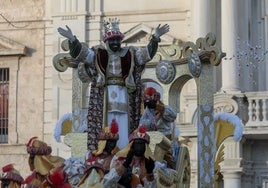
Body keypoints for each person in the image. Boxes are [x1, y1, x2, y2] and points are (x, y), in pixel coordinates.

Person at [57, 18, 170, 150]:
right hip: (105, 95)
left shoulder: (130, 53)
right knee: (107, 121)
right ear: (106, 41)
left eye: (118, 40)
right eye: (113, 40)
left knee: (124, 122)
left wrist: (155, 37)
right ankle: (106, 151)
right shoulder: (98, 54)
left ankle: (124, 150)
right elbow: (81, 54)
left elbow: (146, 55)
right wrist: (72, 39)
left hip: (125, 95)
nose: (116, 42)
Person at [77, 119, 119, 187]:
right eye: (110, 142)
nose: (112, 145)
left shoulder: (115, 159)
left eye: (114, 142)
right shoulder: (89, 155)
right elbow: (80, 172)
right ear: (103, 143)